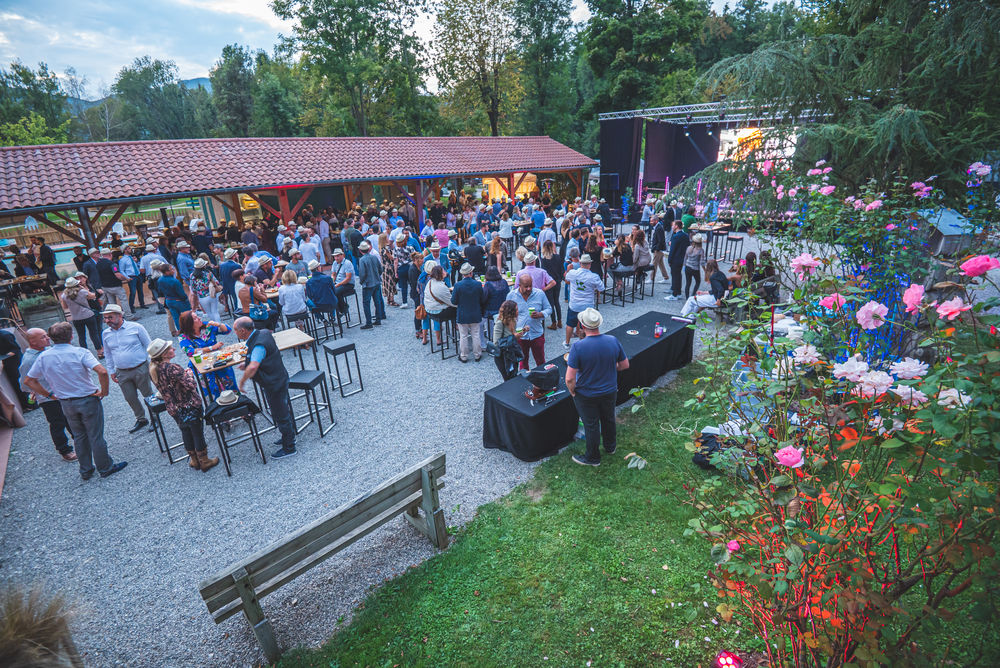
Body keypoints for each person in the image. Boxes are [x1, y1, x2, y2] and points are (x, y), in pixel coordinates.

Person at [24, 321, 127, 480]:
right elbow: (102, 371)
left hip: (66, 402)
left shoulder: (43, 357)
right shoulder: (80, 352)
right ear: (71, 336)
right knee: (95, 436)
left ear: (52, 338)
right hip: (87, 399)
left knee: (79, 436)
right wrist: (104, 391)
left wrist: (49, 395)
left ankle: (86, 469)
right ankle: (105, 467)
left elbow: (29, 380)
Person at [566, 308, 629, 467]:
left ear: (582, 325)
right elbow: (624, 365)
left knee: (591, 425)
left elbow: (569, 378)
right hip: (609, 390)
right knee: (609, 419)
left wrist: (572, 391)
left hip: (586, 394)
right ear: (598, 324)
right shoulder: (613, 340)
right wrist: (609, 367)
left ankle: (593, 458)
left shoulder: (578, 347)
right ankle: (610, 447)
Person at [147, 338, 220, 472]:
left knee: (185, 431)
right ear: (164, 354)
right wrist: (189, 375)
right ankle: (204, 461)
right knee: (197, 433)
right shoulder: (172, 368)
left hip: (173, 408)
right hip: (189, 405)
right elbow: (191, 385)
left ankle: (194, 460)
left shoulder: (153, 369)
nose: (173, 349)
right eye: (170, 348)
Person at [233, 317, 296, 458]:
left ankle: (289, 447)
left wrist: (242, 382)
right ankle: (289, 436)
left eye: (235, 330)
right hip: (279, 377)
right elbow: (263, 357)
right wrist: (247, 363)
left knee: (280, 414)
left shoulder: (257, 344)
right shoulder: (264, 333)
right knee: (283, 409)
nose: (234, 332)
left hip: (273, 383)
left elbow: (254, 366)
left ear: (243, 331)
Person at [18, 328, 77, 462]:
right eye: (43, 337)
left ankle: (80, 441)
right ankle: (65, 450)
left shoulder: (48, 350)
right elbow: (25, 383)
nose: (48, 338)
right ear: (32, 341)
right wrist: (45, 394)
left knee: (71, 418)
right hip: (48, 398)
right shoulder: (29, 360)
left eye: (47, 335)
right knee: (57, 423)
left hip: (61, 393)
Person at [100, 304, 154, 433]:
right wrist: (111, 371)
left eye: (110, 317)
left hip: (140, 367)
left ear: (120, 315)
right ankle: (141, 419)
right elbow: (108, 353)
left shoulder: (136, 328)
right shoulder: (106, 333)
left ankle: (154, 418)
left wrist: (152, 365)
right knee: (130, 397)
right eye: (105, 318)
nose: (107, 320)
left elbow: (149, 346)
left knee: (148, 395)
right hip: (121, 372)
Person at [178, 311, 236, 398]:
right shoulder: (183, 336)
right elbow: (189, 351)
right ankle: (216, 405)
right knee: (211, 391)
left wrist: (218, 324)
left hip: (219, 360)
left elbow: (228, 330)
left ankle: (235, 402)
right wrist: (212, 348)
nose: (199, 318)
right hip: (201, 365)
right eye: (195, 318)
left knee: (230, 384)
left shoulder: (207, 326)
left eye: (197, 316)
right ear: (189, 323)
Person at [506, 274, 551, 369]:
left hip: (536, 334)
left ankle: (542, 378)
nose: (529, 288)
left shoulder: (539, 294)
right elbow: (507, 315)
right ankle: (525, 378)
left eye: (530, 285)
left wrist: (541, 314)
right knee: (523, 363)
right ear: (519, 285)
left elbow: (549, 309)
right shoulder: (511, 296)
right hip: (520, 336)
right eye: (526, 286)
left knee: (541, 362)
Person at [563, 254, 604, 349]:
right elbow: (601, 288)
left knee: (570, 324)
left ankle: (567, 343)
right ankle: (583, 343)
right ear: (590, 264)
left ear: (580, 263)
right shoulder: (594, 277)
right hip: (587, 305)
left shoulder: (573, 273)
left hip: (574, 304)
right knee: (585, 325)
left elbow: (566, 279)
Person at [60, 277, 103, 358]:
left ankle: (84, 354)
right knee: (94, 334)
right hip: (88, 315)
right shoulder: (82, 292)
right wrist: (84, 289)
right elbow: (93, 296)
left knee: (81, 336)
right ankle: (100, 353)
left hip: (76, 318)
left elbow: (65, 307)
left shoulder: (64, 296)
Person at [453, 263, 486, 362]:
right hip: (475, 313)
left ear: (462, 274)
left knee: (463, 335)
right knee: (475, 334)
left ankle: (464, 356)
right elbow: (482, 299)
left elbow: (454, 301)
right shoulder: (478, 284)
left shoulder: (457, 285)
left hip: (462, 314)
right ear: (471, 273)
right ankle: (477, 355)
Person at [97, 247, 134, 319]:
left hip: (105, 287)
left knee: (112, 303)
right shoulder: (112, 264)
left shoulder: (98, 264)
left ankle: (114, 317)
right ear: (110, 254)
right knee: (123, 300)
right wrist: (126, 279)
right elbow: (117, 275)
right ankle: (129, 315)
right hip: (115, 286)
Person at [357, 240, 386, 329]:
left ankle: (369, 322)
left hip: (368, 284)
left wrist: (361, 282)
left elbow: (362, 273)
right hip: (376, 282)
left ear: (360, 250)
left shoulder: (362, 260)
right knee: (377, 301)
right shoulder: (374, 257)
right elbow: (380, 269)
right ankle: (378, 319)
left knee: (366, 303)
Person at [491, 299, 523, 380]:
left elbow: (511, 336)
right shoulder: (500, 323)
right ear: (511, 311)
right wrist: (514, 337)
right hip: (503, 357)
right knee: (508, 379)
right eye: (516, 309)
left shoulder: (513, 320)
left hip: (512, 353)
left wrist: (522, 331)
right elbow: (496, 343)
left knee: (514, 376)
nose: (518, 311)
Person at [423, 264, 455, 345]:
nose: (445, 271)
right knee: (458, 308)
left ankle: (457, 327)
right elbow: (452, 302)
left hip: (429, 310)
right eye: (443, 270)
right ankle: (460, 329)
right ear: (440, 274)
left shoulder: (430, 282)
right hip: (437, 312)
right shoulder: (440, 286)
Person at [157, 263, 191, 334]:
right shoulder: (175, 281)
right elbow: (182, 294)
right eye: (171, 269)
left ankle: (181, 332)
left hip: (168, 300)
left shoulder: (160, 280)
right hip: (178, 301)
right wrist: (186, 300)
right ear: (167, 272)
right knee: (187, 316)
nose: (173, 270)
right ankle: (190, 331)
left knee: (176, 317)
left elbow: (160, 291)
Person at [190, 257, 222, 322]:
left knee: (209, 313)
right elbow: (216, 282)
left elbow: (193, 288)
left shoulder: (192, 276)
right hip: (211, 293)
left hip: (202, 297)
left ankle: (215, 325)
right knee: (215, 312)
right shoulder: (208, 273)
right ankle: (219, 325)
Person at [666, 220, 690, 301]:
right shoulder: (685, 235)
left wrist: (669, 260)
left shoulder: (675, 236)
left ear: (676, 226)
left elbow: (672, 250)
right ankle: (678, 293)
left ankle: (674, 294)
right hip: (682, 258)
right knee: (678, 276)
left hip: (675, 259)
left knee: (675, 276)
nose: (672, 226)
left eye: (673, 225)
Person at [330, 248, 356, 319]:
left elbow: (348, 278)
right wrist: (332, 282)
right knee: (329, 291)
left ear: (342, 255)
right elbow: (333, 274)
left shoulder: (347, 263)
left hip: (348, 284)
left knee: (335, 291)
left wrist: (337, 285)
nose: (336, 258)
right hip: (338, 283)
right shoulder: (335, 263)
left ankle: (342, 309)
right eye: (335, 256)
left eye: (338, 256)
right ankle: (341, 308)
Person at [118, 246, 146, 311]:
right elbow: (121, 270)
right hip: (131, 276)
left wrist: (137, 261)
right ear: (125, 250)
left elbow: (138, 265)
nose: (131, 249)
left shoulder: (133, 257)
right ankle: (131, 307)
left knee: (140, 291)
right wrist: (127, 278)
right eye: (129, 248)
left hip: (138, 275)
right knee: (133, 292)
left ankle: (142, 304)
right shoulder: (122, 260)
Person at [379, 233, 398, 307]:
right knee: (391, 283)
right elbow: (392, 258)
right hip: (389, 268)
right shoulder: (386, 250)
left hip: (384, 268)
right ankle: (392, 300)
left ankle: (388, 299)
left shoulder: (381, 249)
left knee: (386, 283)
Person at [650, 214, 668, 283]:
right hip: (659, 249)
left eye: (652, 221)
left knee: (654, 264)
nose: (650, 222)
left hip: (658, 250)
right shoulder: (658, 227)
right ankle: (666, 277)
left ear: (656, 221)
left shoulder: (659, 228)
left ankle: (651, 278)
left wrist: (656, 248)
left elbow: (661, 240)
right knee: (661, 264)